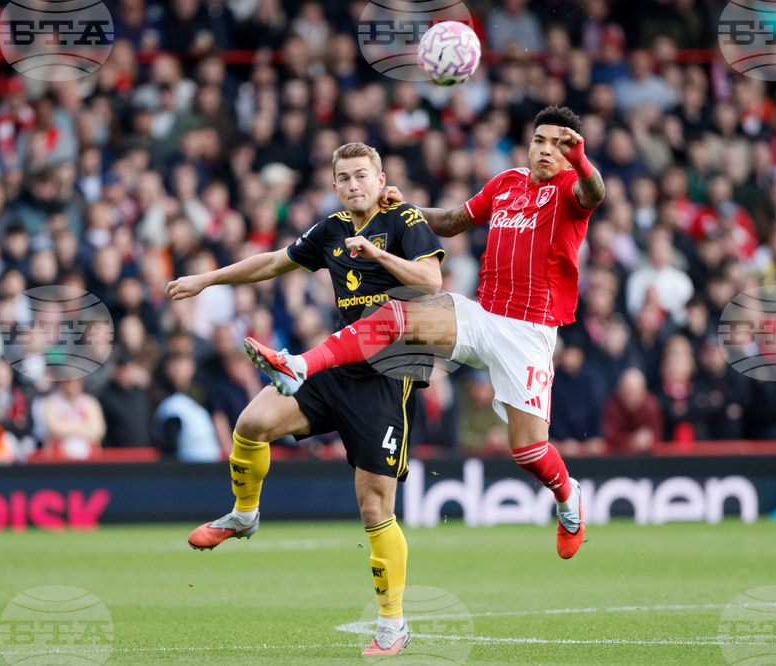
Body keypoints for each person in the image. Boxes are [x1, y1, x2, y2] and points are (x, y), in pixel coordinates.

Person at [244, 106, 603, 561]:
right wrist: (407, 208)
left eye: (560, 144)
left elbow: (596, 193)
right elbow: (453, 221)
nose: (548, 150)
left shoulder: (573, 187)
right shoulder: (507, 183)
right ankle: (298, 366)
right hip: (482, 315)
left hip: (529, 332)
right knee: (397, 315)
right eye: (540, 140)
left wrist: (583, 161)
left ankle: (568, 499)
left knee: (529, 450)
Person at [166, 142, 444, 656]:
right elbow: (274, 261)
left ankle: (393, 622)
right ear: (335, 184)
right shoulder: (331, 229)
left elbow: (431, 279)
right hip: (337, 363)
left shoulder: (403, 219)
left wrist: (379, 254)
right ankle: (244, 515)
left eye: (363, 175)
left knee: (374, 506)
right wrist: (207, 279)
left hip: (386, 374)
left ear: (381, 179)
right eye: (345, 177)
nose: (354, 184)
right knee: (251, 424)